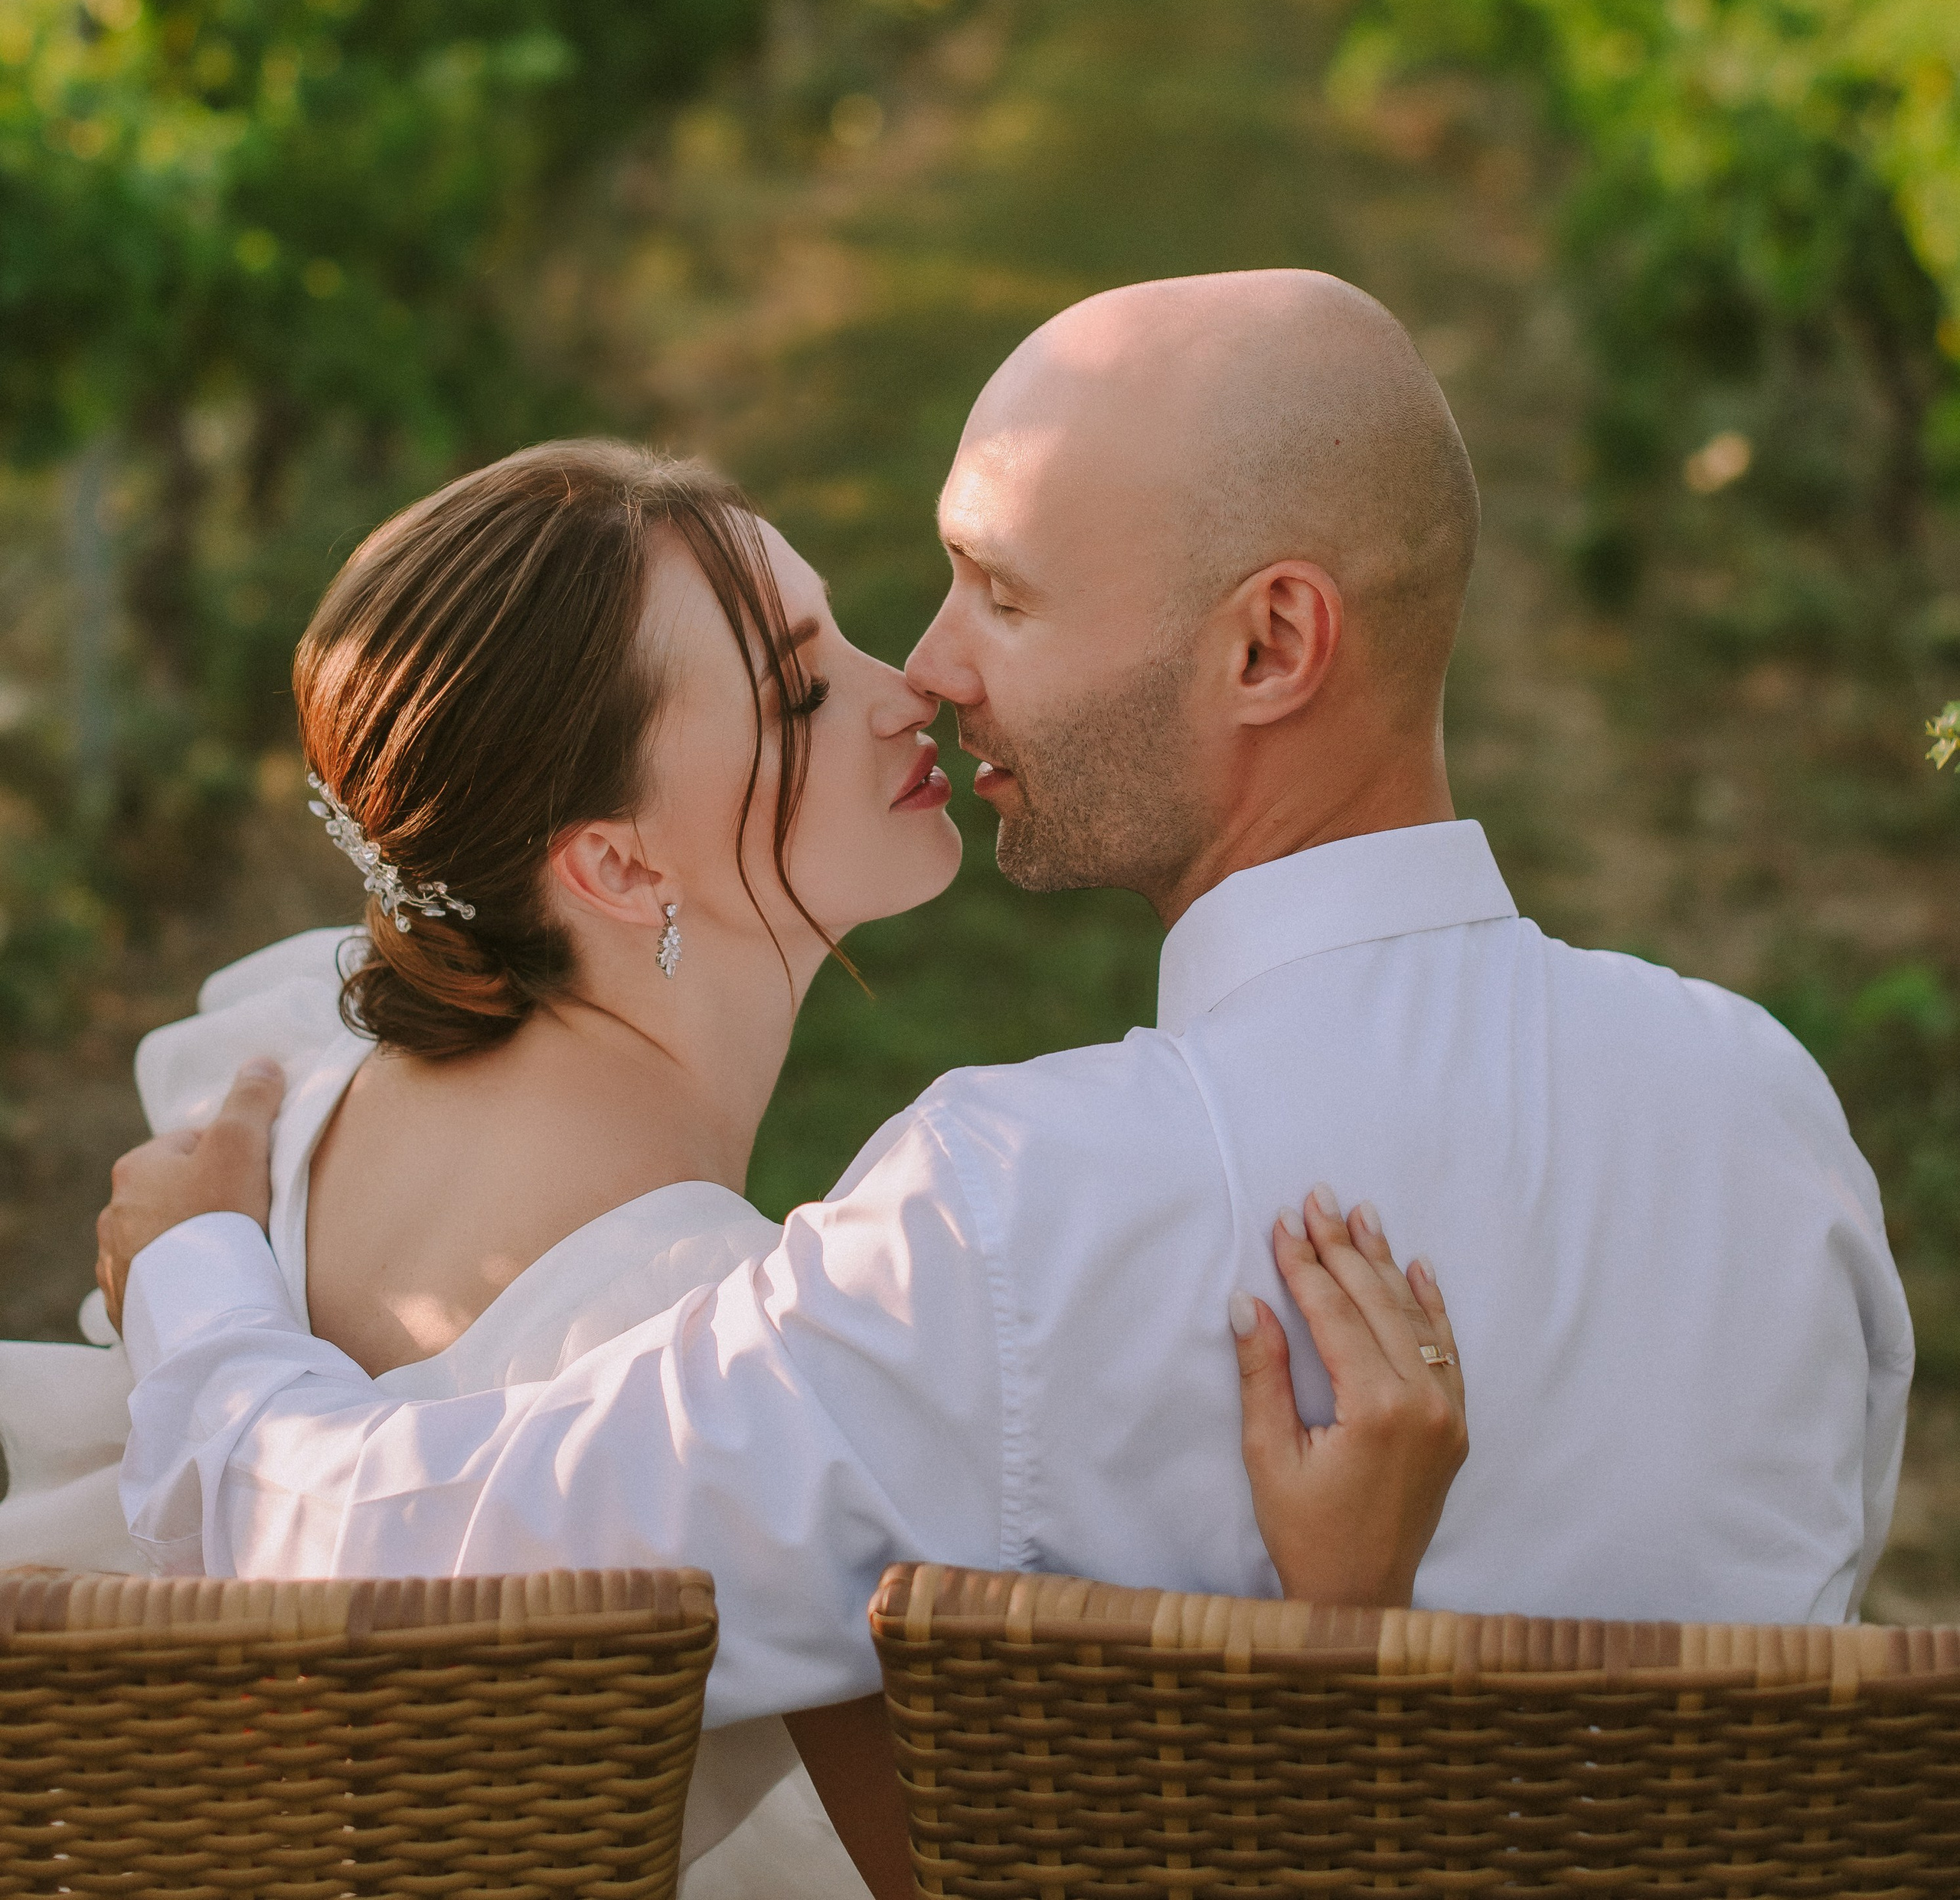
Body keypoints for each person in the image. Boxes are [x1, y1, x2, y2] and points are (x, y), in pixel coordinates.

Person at [100, 272, 1909, 1723]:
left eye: (998, 591)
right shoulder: (1769, 1113)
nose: (933, 672)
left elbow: (399, 1570)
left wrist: (194, 1273)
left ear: (1266, 645)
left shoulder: (1016, 1218)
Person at [5, 435, 1465, 1899]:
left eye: (840, 627)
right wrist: (1343, 1612)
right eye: (802, 685)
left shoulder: (290, 1082)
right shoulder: (704, 1348)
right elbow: (969, 1878)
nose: (914, 693)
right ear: (619, 865)